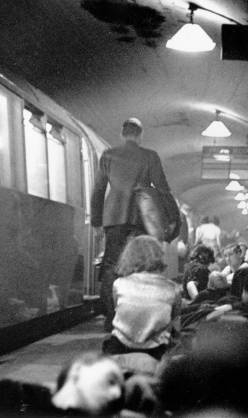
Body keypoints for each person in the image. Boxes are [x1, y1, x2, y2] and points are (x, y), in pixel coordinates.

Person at [91, 117, 170, 331]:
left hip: (113, 215)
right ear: (140, 135)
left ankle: (111, 316)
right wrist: (169, 216)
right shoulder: (149, 156)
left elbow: (98, 189)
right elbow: (162, 188)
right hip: (141, 215)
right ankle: (135, 313)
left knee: (110, 264)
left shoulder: (108, 155)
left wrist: (97, 220)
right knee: (139, 263)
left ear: (122, 134)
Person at [102, 236, 181, 361]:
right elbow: (175, 322)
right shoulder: (173, 288)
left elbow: (116, 309)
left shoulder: (118, 284)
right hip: (157, 350)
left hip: (120, 347)